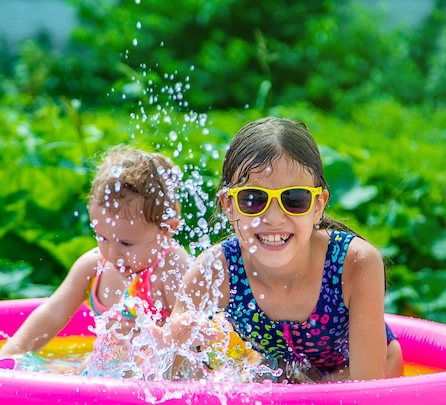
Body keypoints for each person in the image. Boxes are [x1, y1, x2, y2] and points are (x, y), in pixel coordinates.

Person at [164, 117, 403, 383]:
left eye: (295, 199)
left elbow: (370, 391)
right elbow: (172, 378)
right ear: (229, 205)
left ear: (318, 206)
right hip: (274, 387)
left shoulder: (354, 263)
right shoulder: (215, 270)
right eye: (253, 199)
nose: (274, 218)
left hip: (345, 383)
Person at [0, 146, 190, 377]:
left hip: (157, 386)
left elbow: (191, 334)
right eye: (102, 237)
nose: (113, 253)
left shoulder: (170, 268)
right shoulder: (93, 265)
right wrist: (7, 357)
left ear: (166, 229)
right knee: (61, 373)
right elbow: (52, 312)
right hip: (103, 378)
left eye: (126, 244)